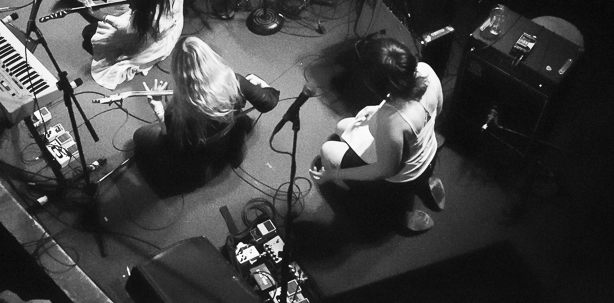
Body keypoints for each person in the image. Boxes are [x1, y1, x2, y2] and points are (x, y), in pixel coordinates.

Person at [309, 36, 446, 232]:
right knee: (342, 126)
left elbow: (386, 171)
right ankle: (426, 185)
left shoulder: (391, 120)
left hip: (404, 178)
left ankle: (396, 213)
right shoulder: (426, 71)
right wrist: (378, 112)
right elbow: (437, 110)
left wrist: (332, 174)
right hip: (429, 151)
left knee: (328, 150)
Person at [133, 36, 279, 192]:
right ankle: (232, 154)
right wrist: (259, 83)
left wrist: (159, 110)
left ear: (178, 72)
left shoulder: (175, 111)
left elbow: (169, 144)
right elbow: (269, 102)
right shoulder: (234, 81)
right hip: (228, 134)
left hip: (200, 154)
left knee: (139, 135)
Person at [51, 0, 211, 89]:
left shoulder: (152, 17)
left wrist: (100, 15)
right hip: (145, 9)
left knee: (88, 35)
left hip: (149, 39)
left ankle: (86, 12)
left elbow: (125, 28)